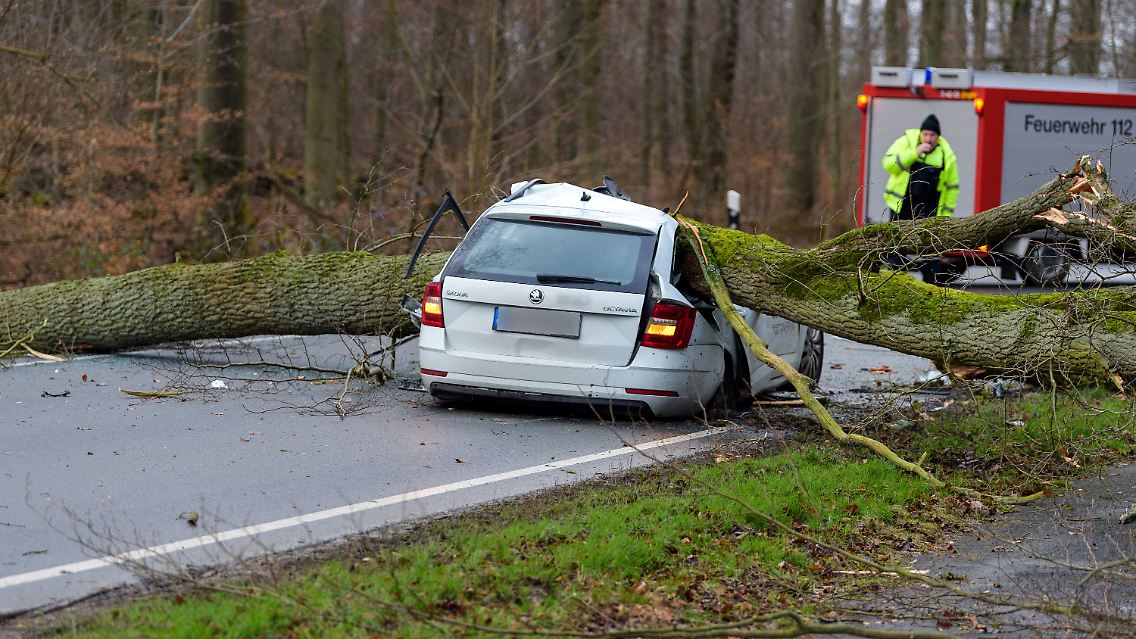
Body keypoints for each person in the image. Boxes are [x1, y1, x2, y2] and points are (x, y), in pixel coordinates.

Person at [881, 114, 962, 284]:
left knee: (930, 251)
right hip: (901, 206)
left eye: (932, 135)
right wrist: (913, 154)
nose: (928, 139)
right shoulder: (906, 142)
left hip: (928, 210)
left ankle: (930, 287)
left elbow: (952, 188)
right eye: (925, 134)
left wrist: (944, 217)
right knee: (895, 248)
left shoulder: (946, 155)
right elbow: (888, 165)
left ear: (938, 137)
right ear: (920, 134)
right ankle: (896, 284)